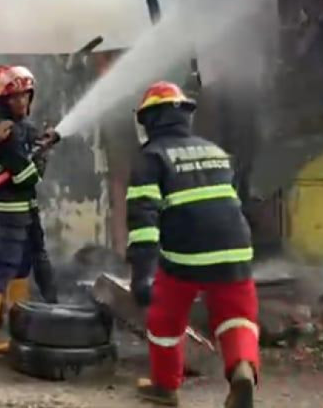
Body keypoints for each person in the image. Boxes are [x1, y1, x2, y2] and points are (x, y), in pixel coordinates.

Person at [127, 81, 257, 408]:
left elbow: (143, 221)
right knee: (236, 315)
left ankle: (165, 387)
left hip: (185, 254)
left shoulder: (151, 157)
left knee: (166, 318)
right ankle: (241, 368)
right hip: (236, 247)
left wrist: (142, 274)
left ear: (150, 120)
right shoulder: (215, 151)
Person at [0, 65, 57, 353]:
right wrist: (39, 156)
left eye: (25, 96)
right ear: (1, 100)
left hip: (0, 210)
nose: (21, 102)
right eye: (14, 97)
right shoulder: (12, 133)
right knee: (4, 266)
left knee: (18, 266)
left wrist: (38, 148)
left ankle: (13, 322)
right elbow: (26, 178)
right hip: (12, 213)